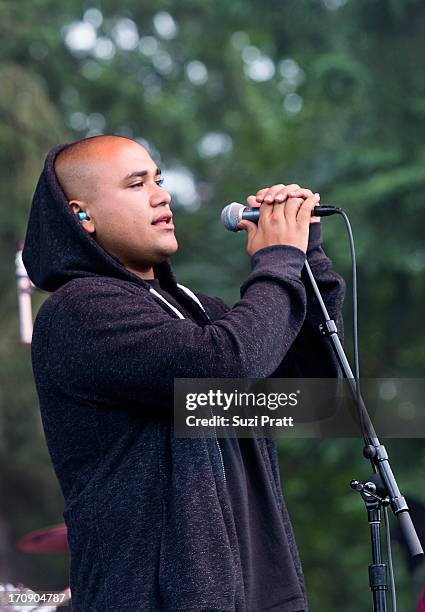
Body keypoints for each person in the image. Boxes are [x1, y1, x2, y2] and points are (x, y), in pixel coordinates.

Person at [22, 135, 345, 612]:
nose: (161, 194)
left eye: (159, 179)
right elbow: (224, 366)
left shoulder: (200, 313)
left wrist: (308, 262)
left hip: (256, 596)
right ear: (81, 215)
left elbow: (310, 397)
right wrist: (278, 260)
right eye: (136, 184)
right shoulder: (79, 311)